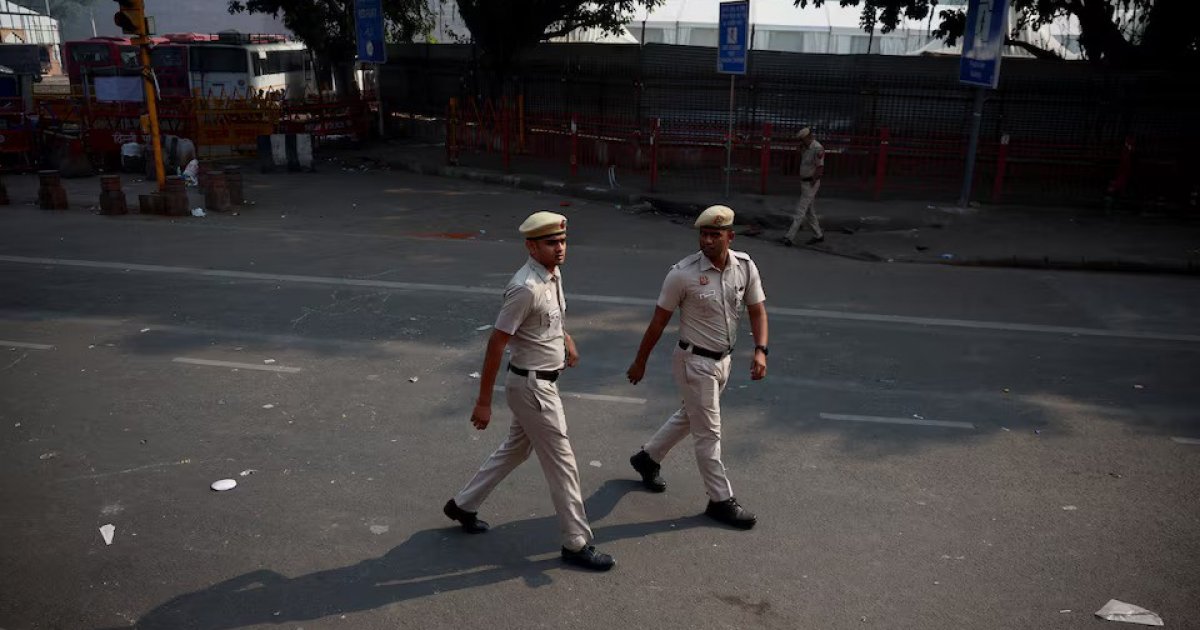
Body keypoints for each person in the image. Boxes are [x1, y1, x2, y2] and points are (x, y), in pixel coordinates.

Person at [443, 211, 615, 571]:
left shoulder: (552, 275)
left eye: (563, 241)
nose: (560, 248)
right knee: (563, 465)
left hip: (538, 383)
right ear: (531, 246)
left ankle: (463, 504)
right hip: (533, 388)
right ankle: (576, 542)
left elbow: (546, 321)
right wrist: (483, 402)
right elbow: (496, 343)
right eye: (552, 243)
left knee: (516, 450)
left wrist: (565, 339)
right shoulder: (525, 287)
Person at [625, 205, 769, 529]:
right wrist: (640, 361)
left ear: (730, 236)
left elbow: (757, 311)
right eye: (703, 234)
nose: (707, 240)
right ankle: (720, 500)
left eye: (715, 235)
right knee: (709, 433)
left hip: (724, 361)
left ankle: (647, 459)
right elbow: (658, 323)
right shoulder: (683, 274)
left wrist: (761, 350)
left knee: (691, 416)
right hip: (694, 363)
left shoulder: (745, 267)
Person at [782, 126, 825, 246]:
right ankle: (818, 234)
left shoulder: (817, 148)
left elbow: (820, 168)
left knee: (800, 210)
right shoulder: (806, 148)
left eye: (803, 139)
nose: (802, 142)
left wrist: (813, 180)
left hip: (811, 182)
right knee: (809, 211)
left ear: (808, 137)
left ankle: (789, 237)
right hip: (804, 182)